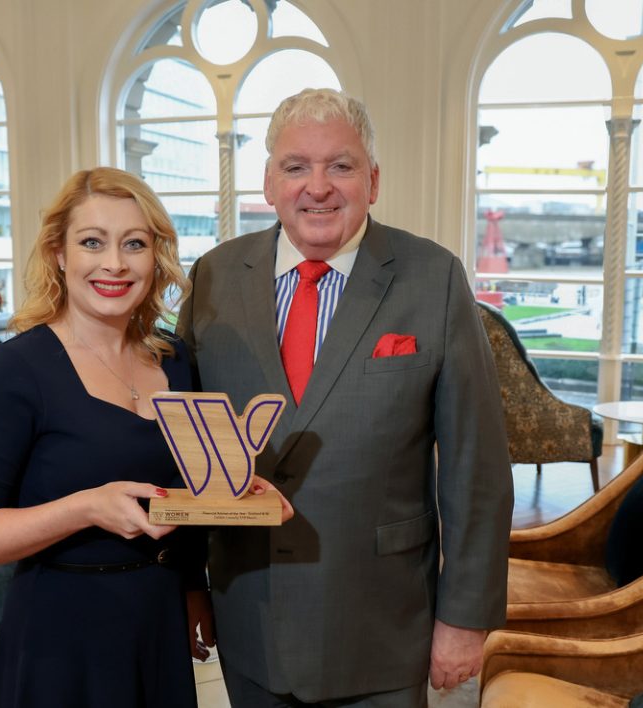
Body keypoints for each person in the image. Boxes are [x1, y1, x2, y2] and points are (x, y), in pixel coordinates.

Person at [178, 89, 514, 707]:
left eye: (341, 165)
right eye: (296, 166)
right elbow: (183, 450)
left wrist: (464, 618)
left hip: (381, 620)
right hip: (249, 610)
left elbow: (477, 467)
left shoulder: (434, 277)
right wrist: (188, 585)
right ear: (269, 182)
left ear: (373, 180)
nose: (318, 187)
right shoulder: (213, 278)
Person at [0, 167, 202, 707]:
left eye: (135, 243)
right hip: (62, 639)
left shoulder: (176, 363)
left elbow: (187, 493)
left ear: (156, 257)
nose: (115, 263)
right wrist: (85, 507)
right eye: (92, 242)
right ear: (60, 253)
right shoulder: (16, 371)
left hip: (158, 625)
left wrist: (195, 590)